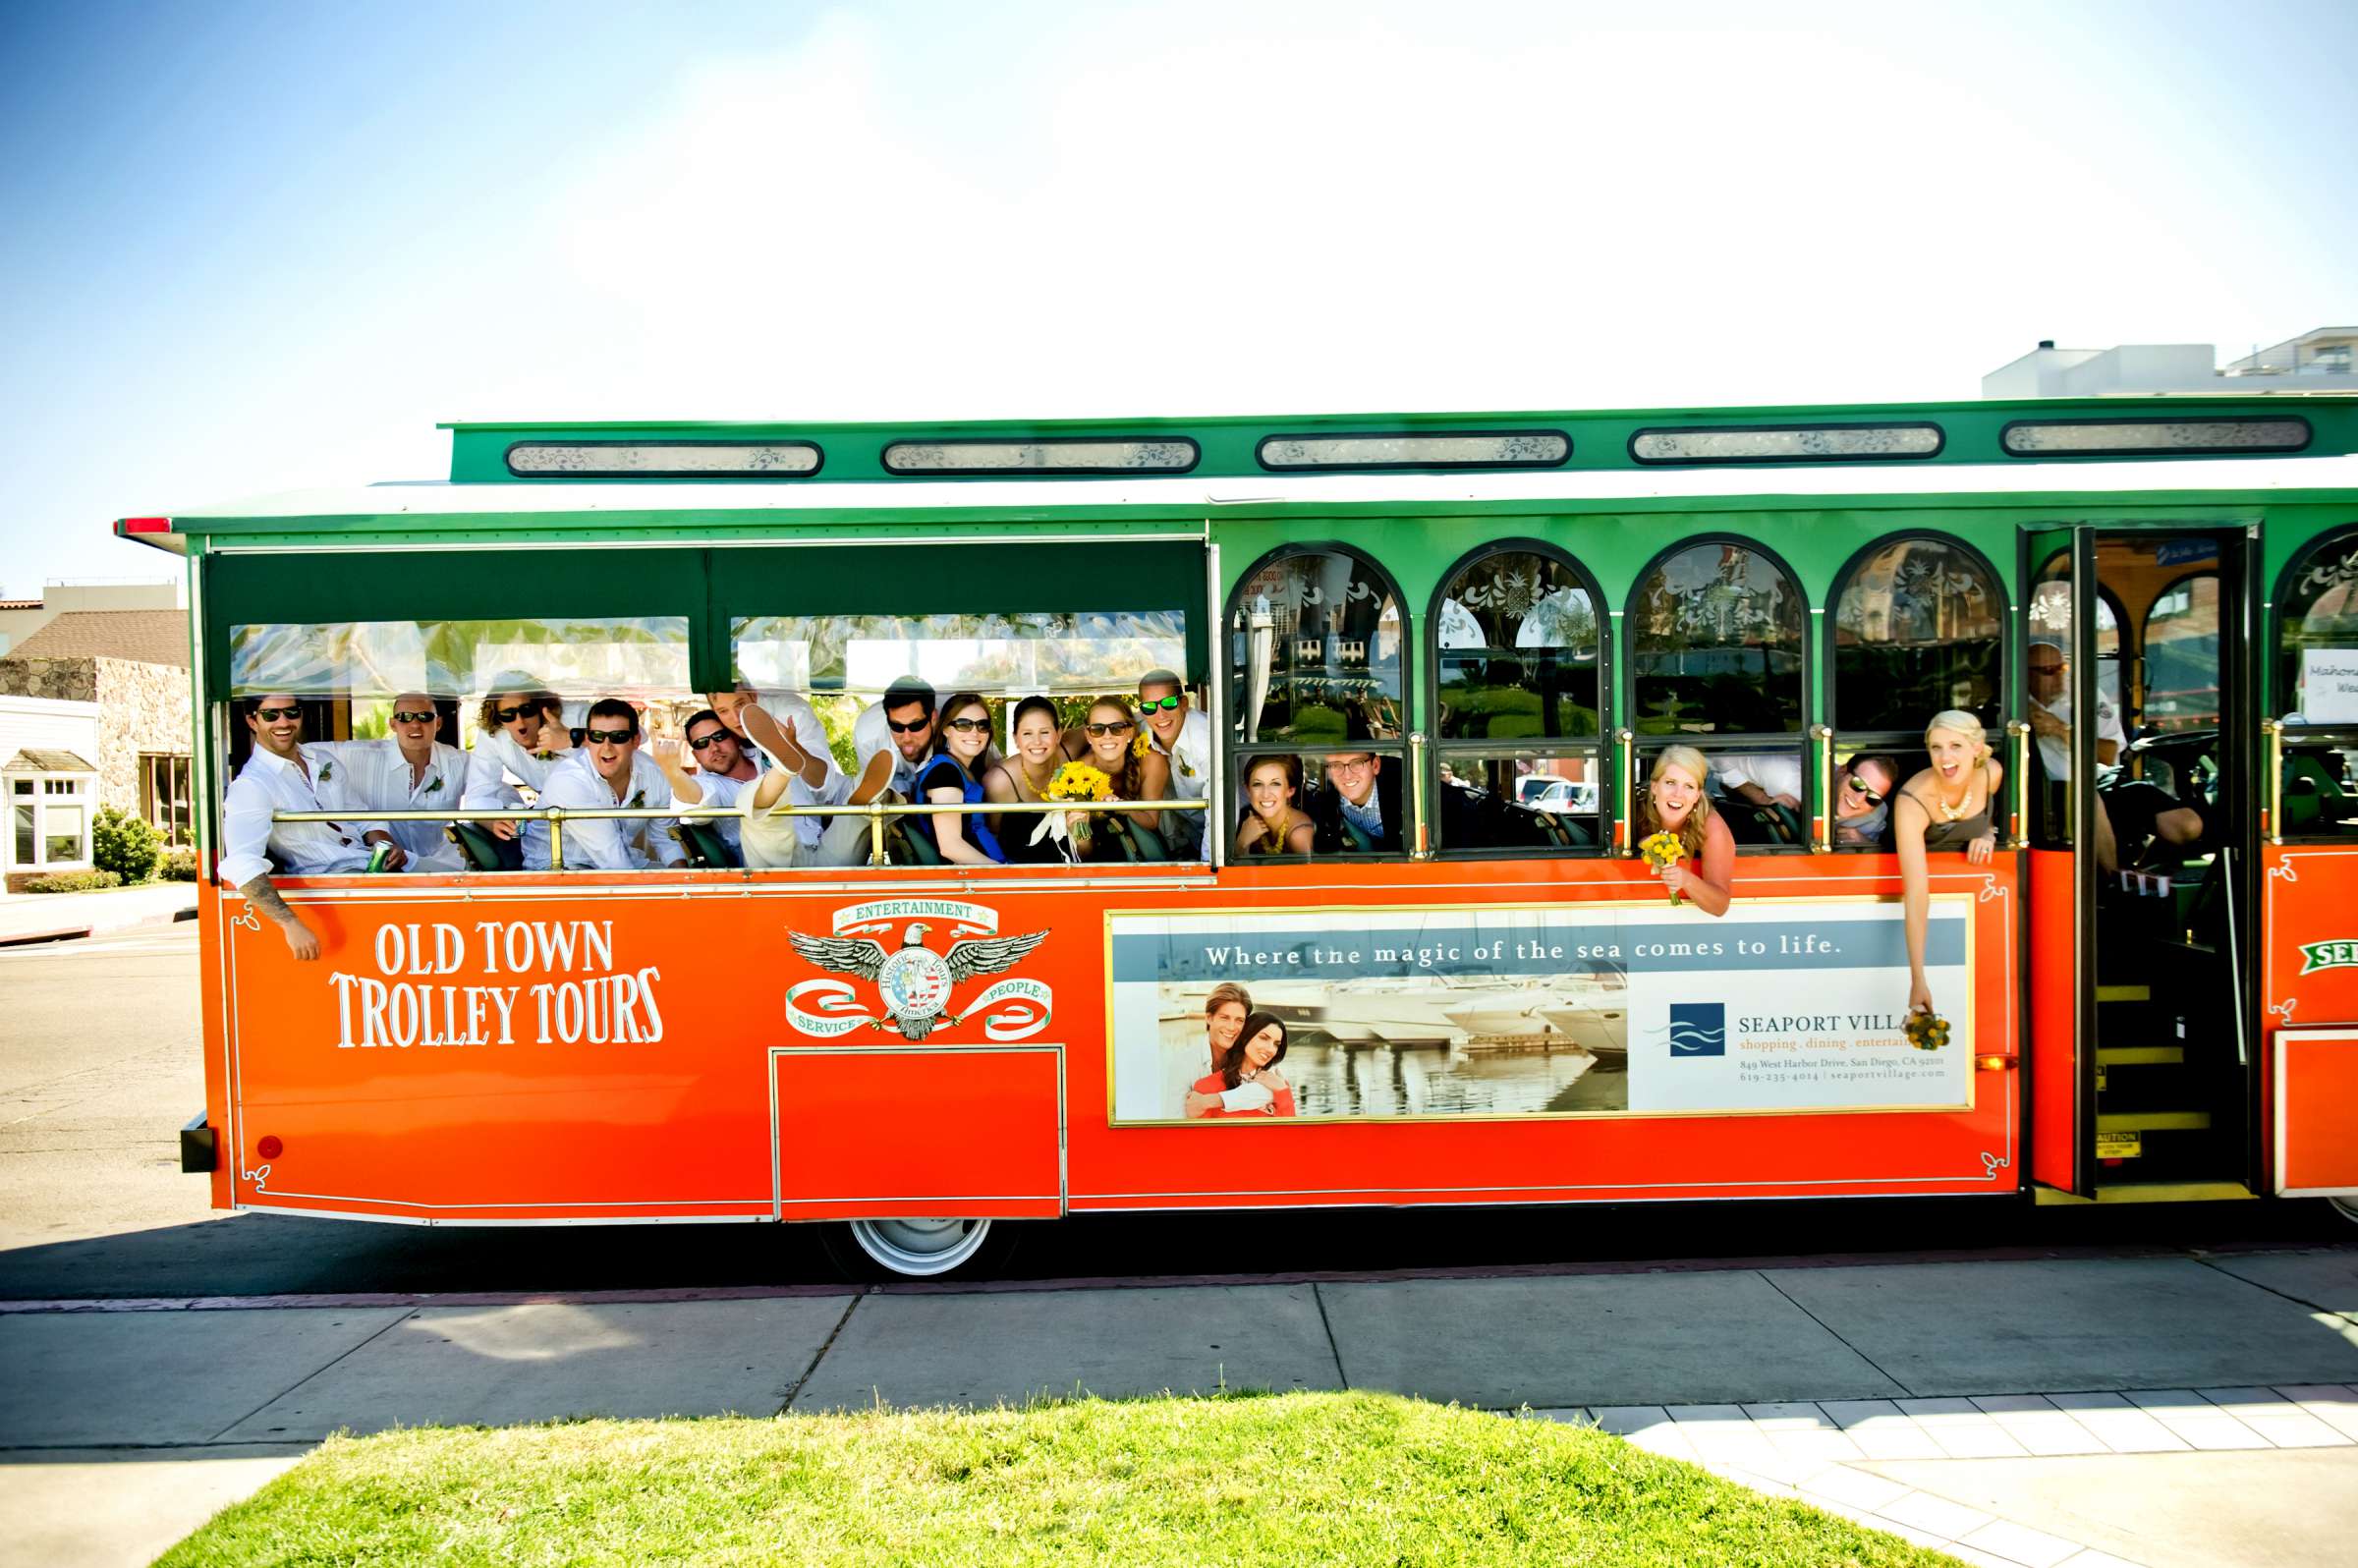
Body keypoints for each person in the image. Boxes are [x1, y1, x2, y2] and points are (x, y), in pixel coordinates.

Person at [217, 694, 377, 960]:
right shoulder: (252, 785)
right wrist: (290, 924)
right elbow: (241, 862)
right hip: (334, 881)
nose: (284, 721)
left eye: (292, 712)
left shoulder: (323, 760)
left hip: (373, 867)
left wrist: (382, 842)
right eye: (271, 715)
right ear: (252, 721)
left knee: (455, 874)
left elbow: (359, 814)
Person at [1893, 710, 2003, 1018]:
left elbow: (1994, 814)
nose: (1945, 758)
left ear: (1977, 748)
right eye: (1936, 747)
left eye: (1955, 746)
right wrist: (1918, 978)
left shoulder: (1992, 774)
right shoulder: (1912, 801)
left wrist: (1988, 832)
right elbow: (1916, 893)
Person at [522, 699, 686, 871]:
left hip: (621, 862)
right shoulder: (569, 780)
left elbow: (666, 839)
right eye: (597, 737)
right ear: (588, 740)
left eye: (618, 737)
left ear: (635, 741)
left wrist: (686, 883)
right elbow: (611, 857)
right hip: (557, 869)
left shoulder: (653, 772)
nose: (607, 747)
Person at [315, 693, 467, 872]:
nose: (415, 724)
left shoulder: (459, 762)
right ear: (393, 724)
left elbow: (492, 791)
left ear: (438, 723)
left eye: (425, 717)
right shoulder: (360, 755)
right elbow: (300, 751)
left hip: (443, 867)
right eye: (405, 717)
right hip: (386, 866)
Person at [461, 678, 573, 843]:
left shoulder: (572, 717)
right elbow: (478, 794)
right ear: (498, 718)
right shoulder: (493, 734)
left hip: (597, 810)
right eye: (508, 715)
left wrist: (572, 739)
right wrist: (491, 821)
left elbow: (618, 746)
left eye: (527, 710)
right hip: (548, 824)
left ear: (542, 708)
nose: (520, 721)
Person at [1635, 745, 1736, 916]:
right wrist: (1642, 842)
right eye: (1670, 783)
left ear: (1697, 795)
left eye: (1688, 786)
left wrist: (1686, 880)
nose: (1678, 794)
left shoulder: (1712, 828)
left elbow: (1720, 906)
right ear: (1654, 786)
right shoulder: (1634, 811)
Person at [913, 692, 1005, 865]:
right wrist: (1003, 874)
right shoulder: (945, 773)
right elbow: (950, 845)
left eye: (982, 725)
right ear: (946, 729)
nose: (975, 732)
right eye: (964, 725)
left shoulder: (961, 769)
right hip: (974, 880)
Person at [1068, 696, 1163, 862]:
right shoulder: (1077, 773)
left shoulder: (1151, 761)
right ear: (1088, 736)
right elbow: (1084, 852)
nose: (1107, 736)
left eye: (1117, 728)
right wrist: (1079, 829)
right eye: (1097, 729)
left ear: (1130, 732)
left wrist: (1124, 808)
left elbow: (1151, 821)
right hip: (1099, 855)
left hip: (1146, 850)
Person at [984, 695, 1072, 864]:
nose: (1037, 741)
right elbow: (992, 836)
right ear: (1016, 739)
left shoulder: (1070, 751)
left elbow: (1099, 732)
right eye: (1027, 733)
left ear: (1059, 734)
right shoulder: (999, 781)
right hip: (1019, 872)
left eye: (1045, 732)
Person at [1136, 669, 1210, 858]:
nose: (1160, 715)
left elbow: (1222, 813)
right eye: (1150, 707)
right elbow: (1107, 724)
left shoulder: (1207, 740)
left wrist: (1207, 866)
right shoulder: (1139, 730)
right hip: (1187, 834)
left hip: (1232, 832)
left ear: (1184, 703)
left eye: (1168, 703)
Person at [1184, 1011, 1296, 1119]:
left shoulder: (1279, 1083)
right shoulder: (1207, 1086)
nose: (1270, 1049)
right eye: (1263, 1038)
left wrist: (1283, 1091)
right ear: (1246, 1037)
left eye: (1276, 1044)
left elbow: (1292, 1133)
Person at [1308, 751, 1403, 853]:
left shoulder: (1406, 788)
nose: (1347, 776)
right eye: (1336, 765)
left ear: (1375, 765)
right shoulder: (1326, 802)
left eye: (1357, 763)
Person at [1235, 755, 1317, 857]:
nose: (1265, 794)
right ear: (1248, 790)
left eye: (1275, 784)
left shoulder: (1299, 834)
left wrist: (1241, 844)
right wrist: (1242, 842)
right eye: (1257, 784)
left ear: (1290, 790)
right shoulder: (1245, 818)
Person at [1833, 753, 1901, 848]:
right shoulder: (1813, 777)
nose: (1859, 799)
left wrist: (1864, 844)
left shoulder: (1874, 820)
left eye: (1873, 797)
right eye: (1858, 784)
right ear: (1842, 771)